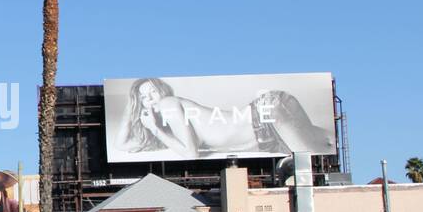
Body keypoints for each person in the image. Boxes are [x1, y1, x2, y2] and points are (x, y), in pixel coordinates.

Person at [114, 77, 331, 158]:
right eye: (143, 97)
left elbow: (190, 154)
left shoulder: (168, 104)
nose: (150, 98)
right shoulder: (167, 129)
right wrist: (131, 103)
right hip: (268, 134)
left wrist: (154, 128)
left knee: (313, 161)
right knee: (326, 144)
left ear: (162, 90)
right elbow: (122, 145)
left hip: (266, 115)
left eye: (152, 91)